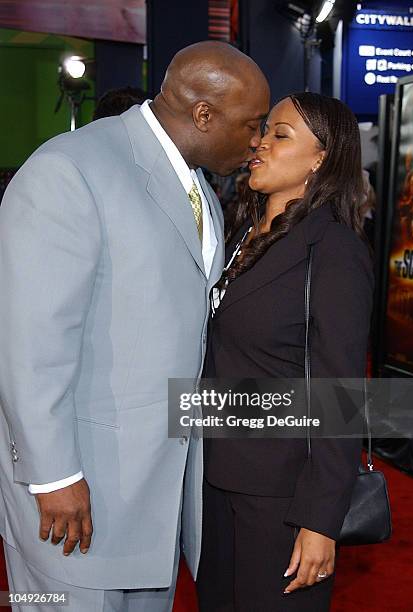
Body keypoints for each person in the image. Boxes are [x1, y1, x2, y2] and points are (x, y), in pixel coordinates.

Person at [0, 41, 270, 612]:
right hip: (78, 494)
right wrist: (53, 476)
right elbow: (29, 342)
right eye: (251, 126)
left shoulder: (203, 193)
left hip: (156, 497)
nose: (257, 141)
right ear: (203, 114)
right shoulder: (69, 169)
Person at [197, 92, 373, 611]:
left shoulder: (334, 250)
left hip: (282, 498)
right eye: (263, 130)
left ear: (321, 158)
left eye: (280, 134)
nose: (259, 143)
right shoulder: (241, 234)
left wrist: (320, 521)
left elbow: (341, 393)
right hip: (215, 481)